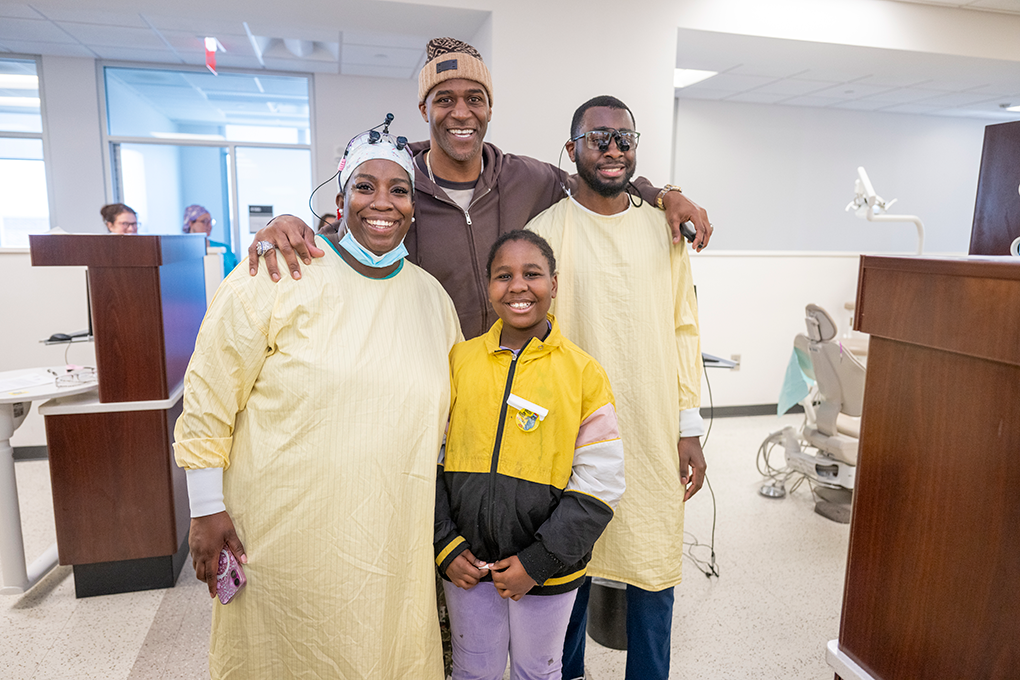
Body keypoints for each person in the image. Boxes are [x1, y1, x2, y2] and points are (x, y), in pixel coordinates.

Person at [172, 127, 462, 679]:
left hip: (392, 538)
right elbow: (209, 391)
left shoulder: (431, 299)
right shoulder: (276, 273)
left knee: (386, 651)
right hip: (285, 535)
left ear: (414, 208)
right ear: (338, 200)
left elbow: (448, 420)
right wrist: (205, 506)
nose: (383, 203)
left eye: (399, 190)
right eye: (365, 186)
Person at [246, 37, 713, 340]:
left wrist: (663, 194)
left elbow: (600, 181)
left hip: (515, 373)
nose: (461, 113)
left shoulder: (527, 178)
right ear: (424, 109)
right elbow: (345, 230)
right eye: (444, 99)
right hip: (432, 374)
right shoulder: (397, 188)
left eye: (475, 99)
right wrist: (283, 223)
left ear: (490, 109)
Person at [524, 95, 706, 680]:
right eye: (598, 138)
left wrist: (688, 426)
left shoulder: (664, 231)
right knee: (569, 567)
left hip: (652, 427)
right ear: (571, 148)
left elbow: (683, 329)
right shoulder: (545, 234)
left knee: (653, 567)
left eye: (624, 138)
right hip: (572, 432)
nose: (612, 149)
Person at [436, 230, 625, 680]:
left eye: (532, 274)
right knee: (471, 670)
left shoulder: (583, 374)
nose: (518, 286)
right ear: (488, 286)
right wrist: (445, 543)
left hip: (548, 572)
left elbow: (600, 485)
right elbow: (431, 463)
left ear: (554, 285)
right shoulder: (459, 362)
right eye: (504, 275)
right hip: (467, 565)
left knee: (537, 671)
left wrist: (538, 563)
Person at [183, 203, 239, 278]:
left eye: (210, 222)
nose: (209, 226)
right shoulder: (183, 252)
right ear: (190, 223)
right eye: (204, 221)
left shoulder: (224, 248)